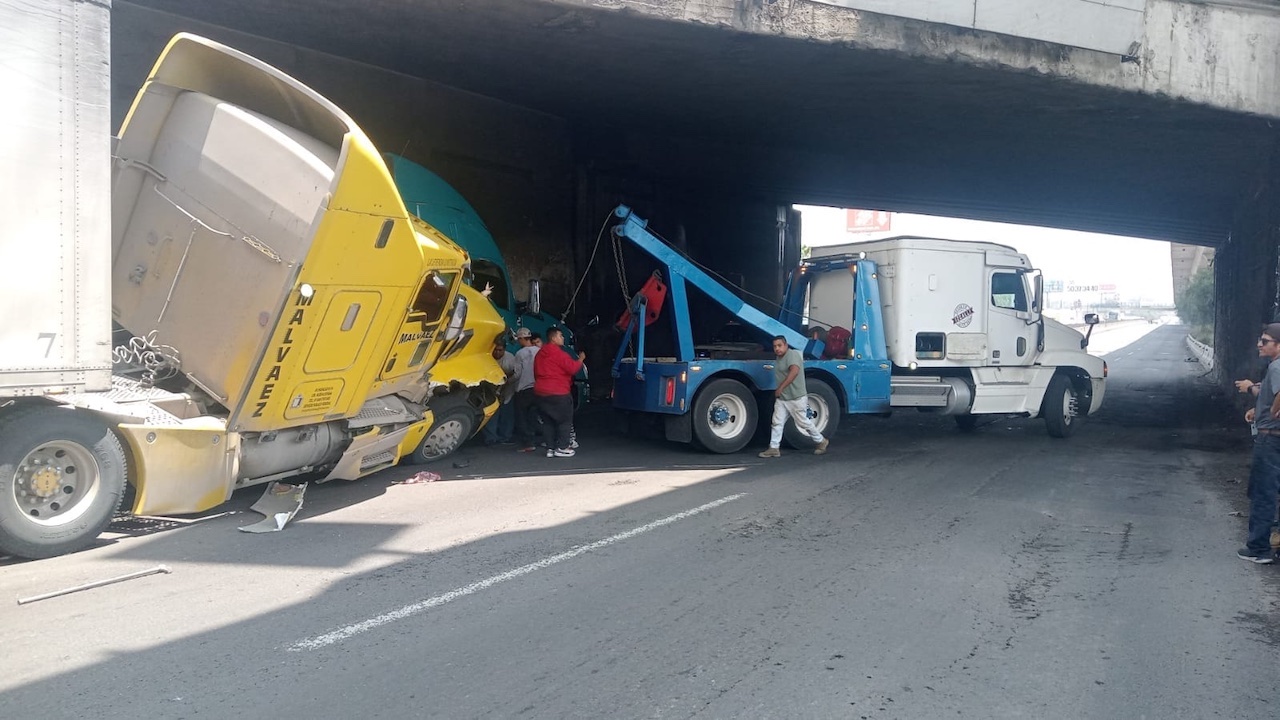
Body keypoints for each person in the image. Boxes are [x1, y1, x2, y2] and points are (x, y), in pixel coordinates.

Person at [1238, 322, 1280, 564]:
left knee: (1263, 492)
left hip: (1270, 439)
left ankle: (1258, 548)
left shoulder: (1276, 367)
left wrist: (1273, 412)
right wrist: (1261, 407)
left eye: (1264, 341)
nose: (1259, 345)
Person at [759, 335, 829, 458]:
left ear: (786, 345)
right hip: (783, 398)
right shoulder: (779, 358)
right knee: (777, 422)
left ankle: (821, 441)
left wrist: (780, 388)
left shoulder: (792, 355)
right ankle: (774, 448)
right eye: (775, 346)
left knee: (803, 422)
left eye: (780, 345)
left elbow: (794, 372)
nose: (777, 348)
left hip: (796, 397)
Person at [534, 327, 585, 458]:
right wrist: (580, 359)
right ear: (553, 338)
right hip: (558, 391)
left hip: (541, 392)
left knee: (548, 422)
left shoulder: (540, 353)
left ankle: (550, 448)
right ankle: (562, 447)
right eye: (561, 336)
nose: (563, 338)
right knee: (564, 421)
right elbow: (572, 368)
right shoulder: (558, 353)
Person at [481, 340, 517, 446]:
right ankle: (490, 438)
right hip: (489, 390)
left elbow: (514, 375)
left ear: (504, 350)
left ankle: (505, 437)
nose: (497, 353)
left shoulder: (510, 359)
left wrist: (503, 388)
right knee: (491, 415)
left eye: (500, 350)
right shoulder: (487, 358)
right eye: (495, 350)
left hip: (507, 389)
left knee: (507, 414)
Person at [512, 329, 541, 452]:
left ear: (522, 339)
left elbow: (517, 374)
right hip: (538, 388)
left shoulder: (520, 354)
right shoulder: (539, 351)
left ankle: (528, 443)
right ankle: (537, 440)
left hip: (523, 389)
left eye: (519, 339)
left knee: (522, 418)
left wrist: (507, 380)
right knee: (533, 416)